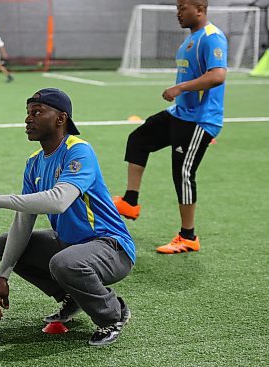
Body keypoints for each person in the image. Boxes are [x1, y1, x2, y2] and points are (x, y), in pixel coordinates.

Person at [0, 88, 135, 346]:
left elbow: (58, 201)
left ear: (61, 119)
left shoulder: (79, 151)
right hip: (70, 246)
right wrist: (3, 275)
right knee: (4, 245)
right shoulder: (34, 162)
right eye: (27, 113)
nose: (28, 119)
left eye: (37, 112)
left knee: (64, 262)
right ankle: (73, 297)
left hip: (111, 247)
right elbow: (24, 220)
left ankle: (112, 314)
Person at [112, 0, 227, 254]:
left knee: (183, 173)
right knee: (139, 139)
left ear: (200, 10)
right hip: (179, 114)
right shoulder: (191, 39)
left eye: (182, 8)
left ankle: (188, 237)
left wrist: (179, 88)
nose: (178, 13)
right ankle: (130, 202)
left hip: (200, 120)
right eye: (177, 8)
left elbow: (218, 75)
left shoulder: (212, 37)